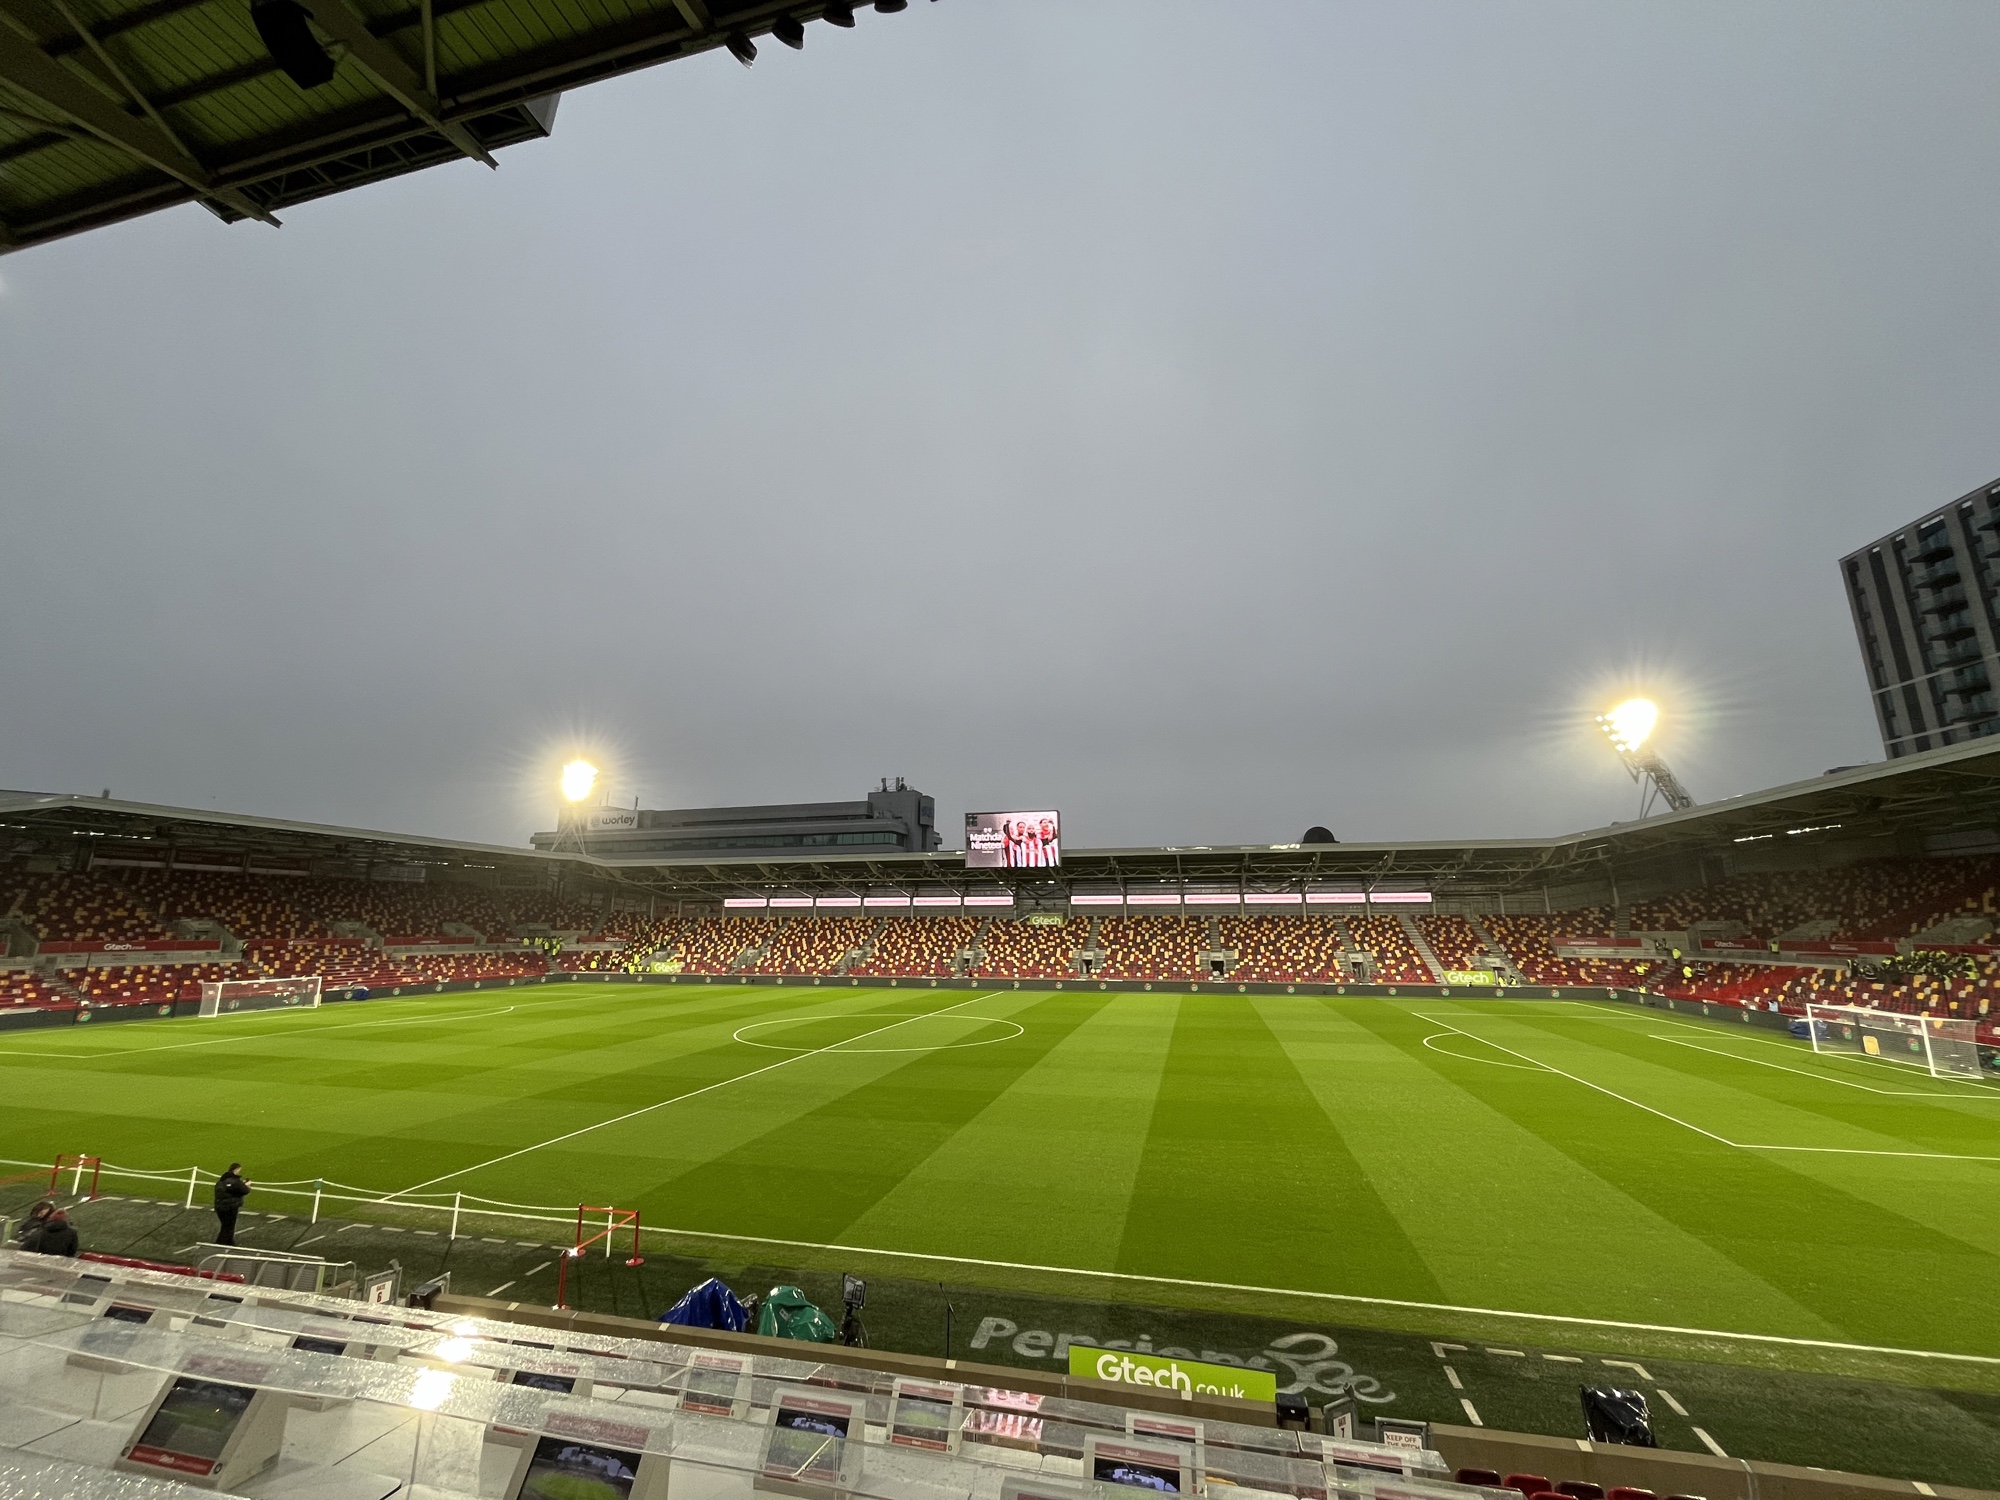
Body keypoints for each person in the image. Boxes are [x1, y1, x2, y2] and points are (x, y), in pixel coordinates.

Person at [213, 1162, 249, 1245]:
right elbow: (244, 1190)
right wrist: (247, 1185)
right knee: (229, 1226)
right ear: (235, 1170)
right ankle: (222, 1243)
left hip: (219, 1206)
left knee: (225, 1225)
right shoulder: (235, 1181)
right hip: (230, 1206)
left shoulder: (221, 1180)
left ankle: (228, 1242)